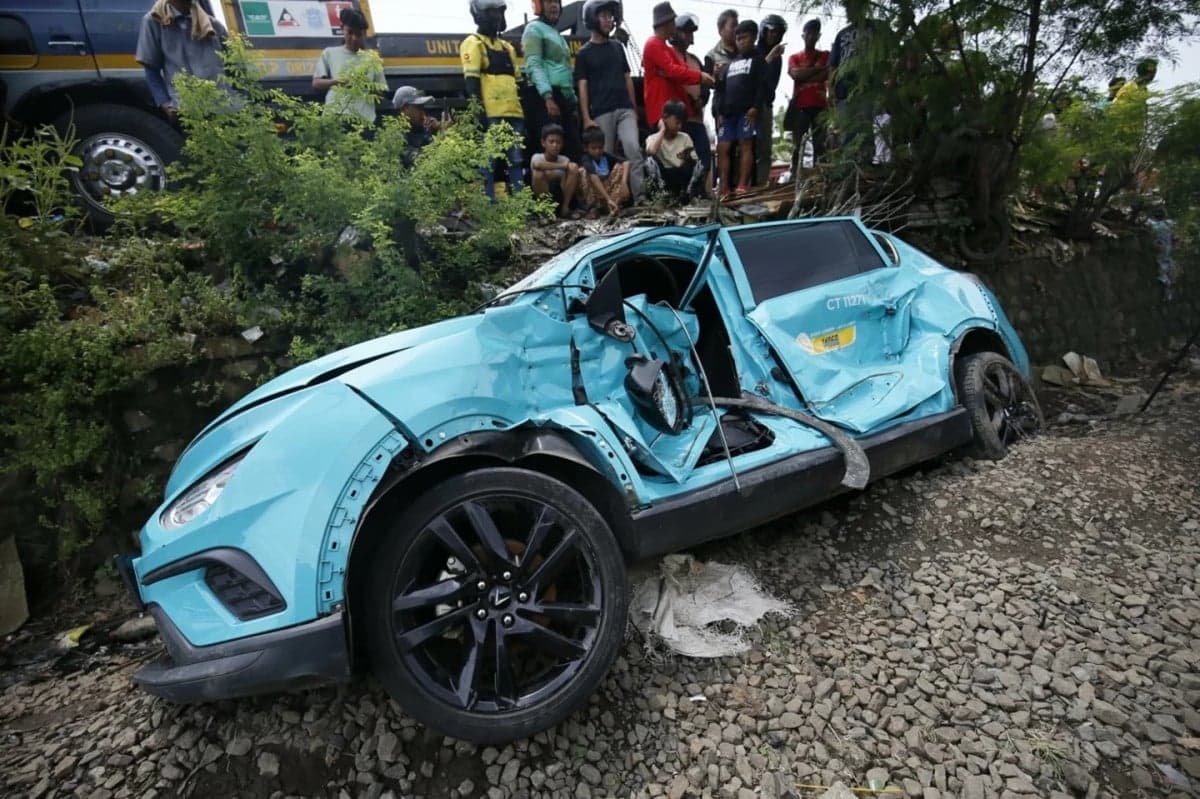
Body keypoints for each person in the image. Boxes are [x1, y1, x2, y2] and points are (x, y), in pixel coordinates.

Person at [575, 0, 644, 198]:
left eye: (610, 16)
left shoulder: (617, 47)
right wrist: (587, 117)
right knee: (602, 159)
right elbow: (583, 86)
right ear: (592, 18)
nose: (609, 20)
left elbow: (627, 77)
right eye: (603, 16)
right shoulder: (584, 53)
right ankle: (606, 202)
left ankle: (640, 197)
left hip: (624, 109)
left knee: (633, 148)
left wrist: (633, 108)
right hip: (601, 112)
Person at [461, 0, 525, 198]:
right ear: (479, 15)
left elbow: (519, 83)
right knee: (488, 164)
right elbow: (471, 84)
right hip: (492, 115)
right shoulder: (473, 43)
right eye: (491, 12)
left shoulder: (507, 48)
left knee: (516, 161)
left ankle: (520, 206)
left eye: (498, 12)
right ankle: (489, 208)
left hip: (515, 114)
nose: (496, 17)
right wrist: (479, 115)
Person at [136, 0, 227, 122]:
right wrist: (165, 104)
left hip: (224, 107)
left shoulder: (214, 25)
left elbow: (233, 67)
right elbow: (151, 70)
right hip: (186, 110)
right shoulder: (154, 21)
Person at [522, 0, 582, 162]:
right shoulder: (533, 29)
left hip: (562, 99)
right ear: (539, 6)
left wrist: (572, 101)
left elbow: (565, 72)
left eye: (556, 2)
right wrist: (547, 96)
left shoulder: (557, 36)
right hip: (544, 99)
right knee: (548, 154)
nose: (554, 5)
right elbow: (533, 64)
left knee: (572, 152)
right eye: (549, 2)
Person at [642, 2, 714, 130]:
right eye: (673, 22)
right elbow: (673, 71)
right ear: (666, 23)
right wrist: (700, 76)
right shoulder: (652, 44)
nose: (675, 26)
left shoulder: (666, 49)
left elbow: (680, 72)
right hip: (662, 114)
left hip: (676, 115)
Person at [715, 20, 766, 196]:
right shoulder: (730, 63)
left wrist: (755, 107)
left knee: (746, 145)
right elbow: (721, 89)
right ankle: (724, 186)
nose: (740, 41)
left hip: (747, 112)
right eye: (738, 38)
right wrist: (720, 112)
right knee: (723, 147)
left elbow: (762, 86)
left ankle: (743, 184)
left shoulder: (758, 60)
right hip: (728, 113)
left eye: (744, 38)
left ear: (753, 37)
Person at [312, 9, 387, 124]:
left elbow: (381, 92)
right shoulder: (330, 53)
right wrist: (338, 81)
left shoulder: (372, 59)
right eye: (350, 33)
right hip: (335, 117)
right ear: (342, 29)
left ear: (364, 34)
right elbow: (316, 83)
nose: (354, 38)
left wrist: (365, 84)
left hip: (363, 120)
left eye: (358, 34)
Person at [671, 13, 712, 195]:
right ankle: (682, 195)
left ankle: (702, 194)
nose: (688, 37)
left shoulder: (695, 60)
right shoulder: (668, 56)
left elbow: (705, 85)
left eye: (690, 33)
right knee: (681, 161)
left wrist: (702, 99)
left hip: (697, 119)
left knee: (704, 159)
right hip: (678, 121)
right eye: (685, 33)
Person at [785, 19, 830, 171]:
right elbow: (795, 75)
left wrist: (803, 75)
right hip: (800, 105)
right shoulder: (794, 57)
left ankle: (821, 174)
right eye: (808, 33)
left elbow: (824, 74)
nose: (811, 37)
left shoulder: (825, 55)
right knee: (798, 146)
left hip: (820, 105)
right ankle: (794, 175)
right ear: (803, 35)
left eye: (815, 34)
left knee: (820, 144)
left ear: (819, 36)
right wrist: (815, 70)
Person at [645, 100, 703, 200]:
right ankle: (660, 196)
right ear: (665, 118)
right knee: (649, 162)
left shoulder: (685, 137)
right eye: (677, 123)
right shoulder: (653, 138)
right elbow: (651, 152)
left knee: (699, 165)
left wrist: (687, 158)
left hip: (681, 176)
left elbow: (695, 162)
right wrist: (662, 130)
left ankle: (689, 193)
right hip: (663, 177)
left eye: (681, 123)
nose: (679, 126)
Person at [753, 15, 787, 185]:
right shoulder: (754, 52)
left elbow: (771, 83)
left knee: (765, 149)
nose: (774, 35)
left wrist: (774, 56)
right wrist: (771, 56)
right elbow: (754, 77)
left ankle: (760, 184)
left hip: (766, 105)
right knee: (747, 147)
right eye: (771, 31)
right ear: (764, 31)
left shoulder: (778, 58)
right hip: (750, 106)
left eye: (777, 32)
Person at [531, 123, 587, 218]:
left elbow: (571, 169)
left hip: (561, 197)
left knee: (573, 167)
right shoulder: (537, 157)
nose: (555, 145)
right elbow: (537, 164)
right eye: (551, 142)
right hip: (544, 198)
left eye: (558, 142)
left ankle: (565, 209)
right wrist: (561, 166)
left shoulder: (564, 159)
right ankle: (546, 212)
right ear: (543, 143)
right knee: (538, 174)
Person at [580, 126, 632, 215]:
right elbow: (593, 176)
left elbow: (627, 162)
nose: (597, 151)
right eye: (593, 148)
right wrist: (608, 198)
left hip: (608, 193)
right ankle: (593, 207)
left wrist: (624, 183)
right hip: (595, 194)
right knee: (582, 172)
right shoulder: (586, 158)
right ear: (586, 148)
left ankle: (614, 205)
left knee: (620, 167)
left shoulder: (605, 156)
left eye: (600, 148)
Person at [393, 86, 445, 167]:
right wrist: (442, 135)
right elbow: (420, 161)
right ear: (405, 109)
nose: (423, 112)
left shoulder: (418, 129)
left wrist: (435, 132)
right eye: (418, 107)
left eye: (423, 107)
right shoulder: (395, 137)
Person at [704, 9, 739, 128]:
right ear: (720, 30)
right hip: (723, 109)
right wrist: (716, 76)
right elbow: (707, 83)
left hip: (744, 107)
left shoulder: (746, 51)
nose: (736, 30)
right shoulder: (711, 56)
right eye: (733, 26)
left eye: (737, 26)